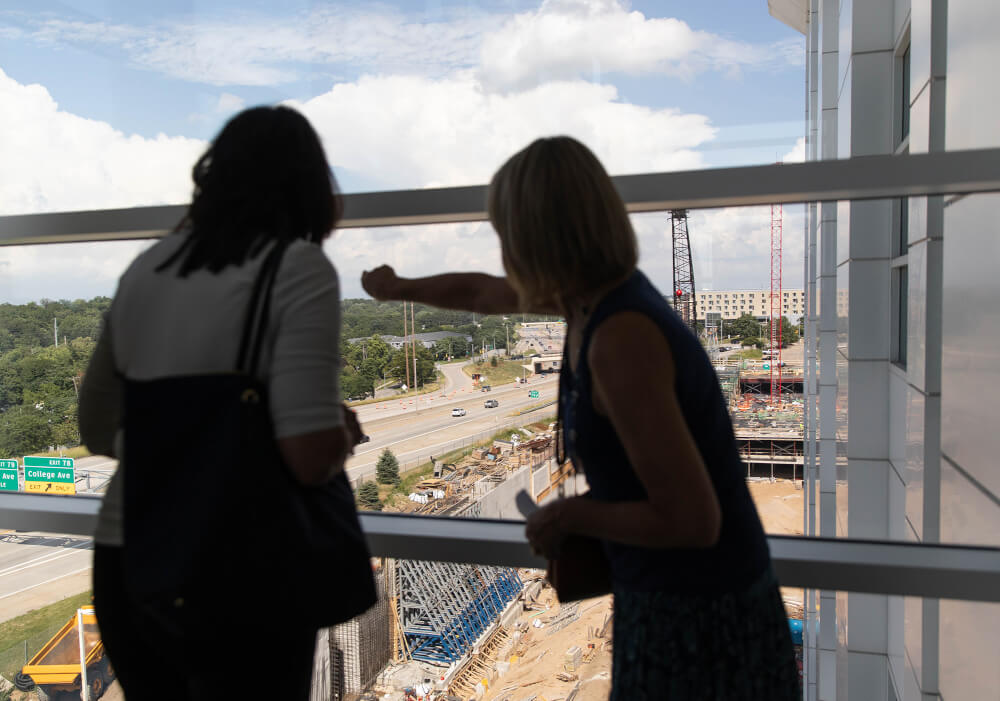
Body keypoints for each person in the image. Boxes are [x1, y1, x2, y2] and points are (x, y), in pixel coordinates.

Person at [362, 136, 798, 699]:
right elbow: (482, 292)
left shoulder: (620, 339)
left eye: (506, 233)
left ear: (537, 236)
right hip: (681, 598)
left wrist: (571, 516)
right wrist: (400, 289)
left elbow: (693, 520)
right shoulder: (592, 301)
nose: (503, 251)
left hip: (699, 623)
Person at [79, 106, 367, 699]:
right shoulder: (296, 268)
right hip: (241, 574)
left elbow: (95, 425)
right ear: (310, 188)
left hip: (129, 564)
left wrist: (176, 442)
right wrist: (342, 430)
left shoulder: (146, 267)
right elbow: (309, 458)